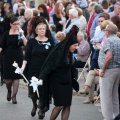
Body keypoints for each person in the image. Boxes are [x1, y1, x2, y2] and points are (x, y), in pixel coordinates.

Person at [38, 25, 79, 120]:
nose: (76, 48)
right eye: (75, 45)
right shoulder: (57, 53)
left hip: (67, 82)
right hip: (56, 82)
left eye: (77, 45)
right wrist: (41, 79)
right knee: (59, 105)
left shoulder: (70, 54)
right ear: (69, 45)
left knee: (67, 105)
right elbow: (48, 66)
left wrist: (74, 78)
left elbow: (72, 68)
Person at [21, 23, 54, 119]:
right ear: (36, 31)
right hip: (33, 69)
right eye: (40, 29)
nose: (42, 30)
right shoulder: (32, 42)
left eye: (44, 29)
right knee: (33, 91)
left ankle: (41, 108)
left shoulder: (50, 41)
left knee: (43, 90)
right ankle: (35, 104)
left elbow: (52, 57)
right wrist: (22, 67)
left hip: (45, 70)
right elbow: (26, 56)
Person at [0, 16, 27, 104]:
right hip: (7, 56)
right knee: (8, 79)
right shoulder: (6, 33)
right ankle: (9, 91)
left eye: (18, 24)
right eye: (15, 24)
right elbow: (1, 46)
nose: (16, 26)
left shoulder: (20, 33)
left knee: (16, 77)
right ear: (11, 24)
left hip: (18, 55)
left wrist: (22, 35)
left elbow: (26, 44)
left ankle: (14, 96)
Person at [98, 23, 120, 120]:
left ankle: (108, 117)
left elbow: (109, 56)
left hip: (109, 70)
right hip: (117, 69)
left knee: (106, 96)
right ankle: (116, 115)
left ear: (108, 32)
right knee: (114, 95)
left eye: (105, 30)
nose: (104, 32)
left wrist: (103, 70)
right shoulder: (119, 40)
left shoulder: (109, 40)